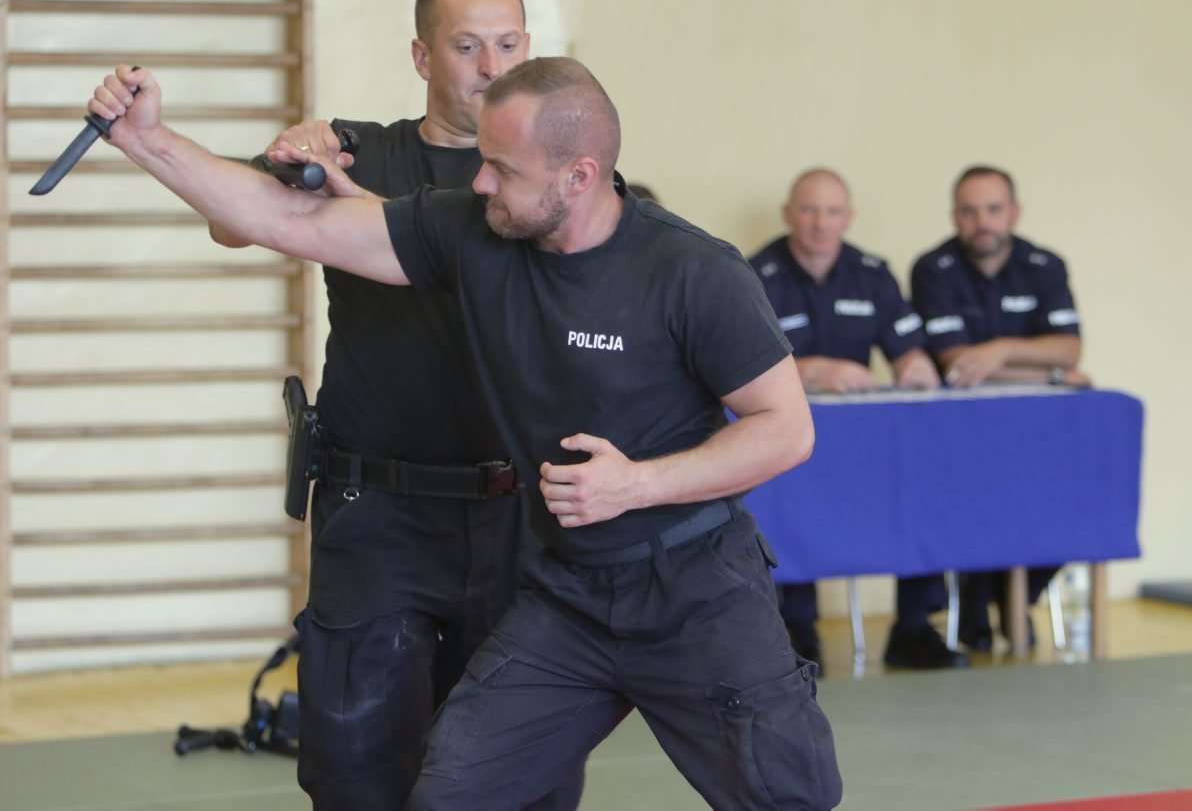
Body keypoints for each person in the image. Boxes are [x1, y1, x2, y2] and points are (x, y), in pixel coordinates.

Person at [88, 56, 843, 810]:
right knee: (449, 797)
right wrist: (146, 139)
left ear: (578, 176)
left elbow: (787, 431)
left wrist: (638, 483)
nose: (479, 182)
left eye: (502, 169)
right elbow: (287, 219)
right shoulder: (472, 233)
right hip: (570, 598)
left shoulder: (693, 272)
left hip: (695, 594)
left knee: (789, 799)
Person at [210, 0, 578, 809]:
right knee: (358, 770)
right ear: (422, 57)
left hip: (514, 515)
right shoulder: (359, 150)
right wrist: (289, 159)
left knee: (521, 770)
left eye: (508, 44)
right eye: (467, 46)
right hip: (376, 516)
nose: (492, 65)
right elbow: (231, 223)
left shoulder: (548, 180)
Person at [750, 169, 966, 671]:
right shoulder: (754, 274)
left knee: (923, 483)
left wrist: (915, 365)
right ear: (788, 215)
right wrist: (813, 370)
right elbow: (738, 364)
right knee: (783, 500)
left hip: (864, 446)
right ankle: (797, 631)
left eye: (832, 212)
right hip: (786, 442)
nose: (820, 223)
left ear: (848, 217)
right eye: (809, 210)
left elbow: (908, 349)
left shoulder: (872, 273)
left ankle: (914, 627)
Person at [910, 164, 1089, 651]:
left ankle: (1009, 596)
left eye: (992, 209)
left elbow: (1069, 350)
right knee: (965, 502)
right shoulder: (933, 269)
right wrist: (1047, 374)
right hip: (959, 436)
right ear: (955, 216)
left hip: (1039, 434)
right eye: (969, 211)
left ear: (1014, 212)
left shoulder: (1045, 265)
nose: (982, 222)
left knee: (1082, 496)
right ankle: (977, 600)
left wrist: (1000, 350)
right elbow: (955, 363)